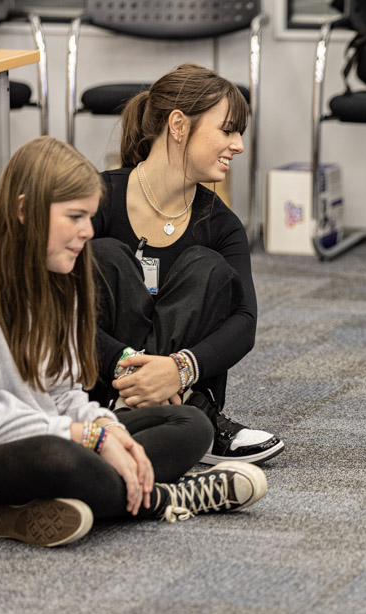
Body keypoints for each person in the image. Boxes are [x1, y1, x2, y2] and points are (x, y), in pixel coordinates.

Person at [0, 137, 267, 548]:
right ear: (24, 211)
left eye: (90, 217)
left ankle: (39, 507)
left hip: (31, 437)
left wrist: (106, 429)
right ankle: (168, 498)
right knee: (58, 460)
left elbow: (63, 392)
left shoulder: (55, 270)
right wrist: (92, 440)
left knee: (189, 425)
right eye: (75, 216)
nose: (87, 232)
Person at [88, 63, 283, 467]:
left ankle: (179, 409)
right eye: (228, 130)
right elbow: (49, 302)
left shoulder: (223, 225)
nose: (239, 145)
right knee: (104, 256)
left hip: (182, 384)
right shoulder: (97, 199)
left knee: (208, 268)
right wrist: (128, 366)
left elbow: (244, 323)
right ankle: (141, 408)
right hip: (97, 382)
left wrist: (177, 371)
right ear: (179, 125)